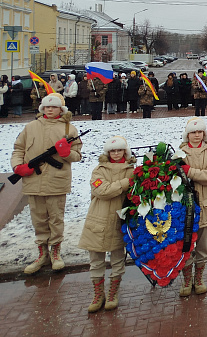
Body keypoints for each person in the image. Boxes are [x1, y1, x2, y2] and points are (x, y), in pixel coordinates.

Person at [10, 93, 82, 274]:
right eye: (47, 107)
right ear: (42, 108)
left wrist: (66, 154)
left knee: (56, 218)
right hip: (33, 180)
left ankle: (55, 252)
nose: (50, 109)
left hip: (57, 181)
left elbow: (78, 155)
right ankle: (42, 253)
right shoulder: (30, 127)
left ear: (60, 109)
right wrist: (18, 166)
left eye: (54, 107)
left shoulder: (69, 129)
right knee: (39, 219)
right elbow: (18, 148)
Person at [78, 135, 134, 312]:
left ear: (125, 151)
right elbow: (102, 191)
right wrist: (124, 183)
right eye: (112, 150)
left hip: (119, 221)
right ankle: (98, 294)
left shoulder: (131, 170)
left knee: (118, 260)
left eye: (119, 150)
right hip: (98, 220)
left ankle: (112, 293)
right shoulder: (99, 170)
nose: (116, 154)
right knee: (96, 261)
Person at [178, 117, 207, 296]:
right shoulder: (180, 154)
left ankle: (199, 279)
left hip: (206, 206)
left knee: (202, 245)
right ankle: (187, 280)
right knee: (186, 245)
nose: (197, 135)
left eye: (200, 132)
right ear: (187, 134)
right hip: (185, 207)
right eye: (193, 132)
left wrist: (190, 172)